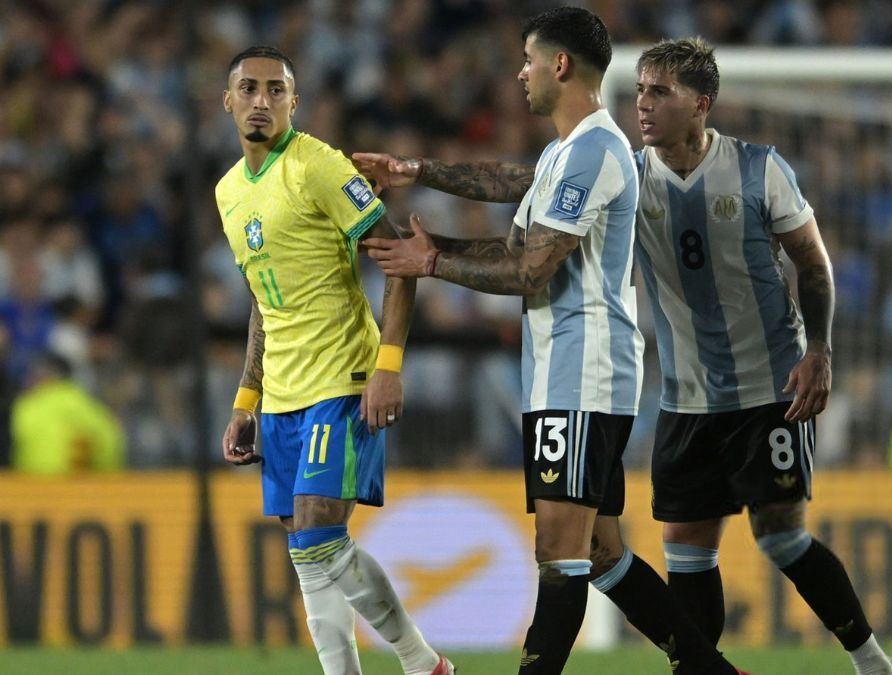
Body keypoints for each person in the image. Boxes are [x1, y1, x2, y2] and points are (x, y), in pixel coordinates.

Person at [354, 8, 745, 675]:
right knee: (598, 552)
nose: (519, 74)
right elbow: (514, 187)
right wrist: (419, 176)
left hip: (582, 372)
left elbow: (532, 267)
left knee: (557, 549)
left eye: (528, 60)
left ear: (559, 66)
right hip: (568, 372)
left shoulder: (595, 150)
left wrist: (432, 262)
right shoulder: (566, 151)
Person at [629, 38, 892, 675]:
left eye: (659, 91)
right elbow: (531, 184)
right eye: (641, 89)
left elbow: (813, 263)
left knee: (780, 536)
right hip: (686, 396)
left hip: (770, 390)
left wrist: (821, 350)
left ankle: (873, 663)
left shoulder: (758, 168)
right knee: (687, 549)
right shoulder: (630, 173)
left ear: (701, 104)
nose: (643, 104)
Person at [215, 46, 452, 675]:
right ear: (228, 100)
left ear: (294, 102)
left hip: (341, 380)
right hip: (282, 397)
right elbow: (263, 304)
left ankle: (422, 662)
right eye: (248, 89)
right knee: (306, 552)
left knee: (319, 536)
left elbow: (400, 260)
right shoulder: (229, 193)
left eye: (275, 90)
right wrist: (246, 402)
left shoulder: (319, 166)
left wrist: (389, 365)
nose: (260, 101)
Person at [11, 352, 124, 474]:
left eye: (32, 376)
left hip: (29, 486)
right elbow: (110, 450)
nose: (28, 382)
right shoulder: (91, 408)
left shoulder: (26, 406)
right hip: (81, 489)